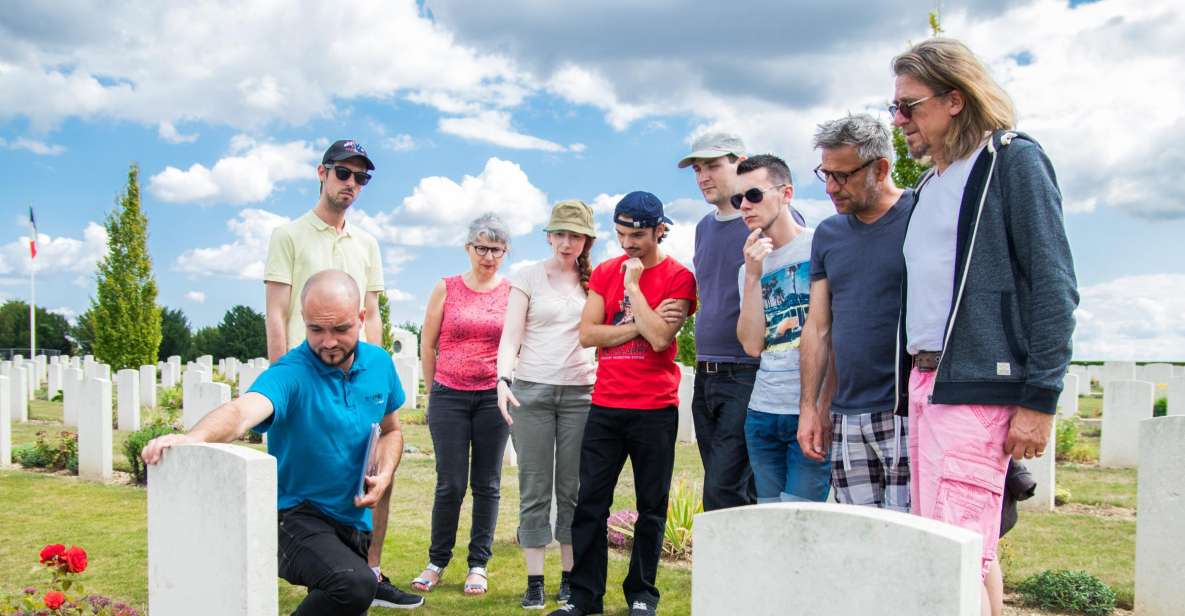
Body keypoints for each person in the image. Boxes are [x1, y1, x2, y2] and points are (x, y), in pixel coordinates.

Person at [890, 38, 1078, 616]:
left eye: (909, 106)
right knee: (959, 549)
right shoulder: (928, 185)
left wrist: (1040, 398)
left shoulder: (1011, 160)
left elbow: (1053, 284)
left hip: (976, 383)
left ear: (954, 99)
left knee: (954, 556)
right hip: (928, 384)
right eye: (893, 108)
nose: (899, 122)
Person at [140, 270, 423, 613]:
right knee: (354, 584)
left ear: (361, 319)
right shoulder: (291, 373)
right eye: (316, 329)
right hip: (294, 517)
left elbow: (391, 430)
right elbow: (242, 411)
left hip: (354, 521)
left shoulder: (379, 362)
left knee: (343, 594)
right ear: (303, 320)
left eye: (340, 329)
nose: (328, 341)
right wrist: (193, 437)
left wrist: (386, 470)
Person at [261, 140, 398, 604]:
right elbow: (278, 313)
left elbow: (372, 313)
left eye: (362, 178)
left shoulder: (367, 243)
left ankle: (370, 571)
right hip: (309, 376)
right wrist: (284, 386)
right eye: (344, 173)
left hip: (357, 381)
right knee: (310, 484)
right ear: (322, 173)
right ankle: (340, 572)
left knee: (374, 475)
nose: (352, 185)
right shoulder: (289, 235)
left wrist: (372, 382)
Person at [550, 192, 696, 616]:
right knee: (591, 503)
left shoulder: (678, 277)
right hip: (607, 405)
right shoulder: (604, 273)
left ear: (659, 231)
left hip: (655, 408)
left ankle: (641, 595)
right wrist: (639, 322)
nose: (628, 244)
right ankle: (583, 598)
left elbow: (662, 339)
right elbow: (588, 334)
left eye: (637, 235)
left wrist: (633, 288)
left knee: (652, 507)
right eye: (620, 234)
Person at [797, 114, 915, 512]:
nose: (831, 187)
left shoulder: (923, 214)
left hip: (909, 410)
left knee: (914, 541)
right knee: (859, 545)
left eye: (842, 176)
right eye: (825, 174)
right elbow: (817, 327)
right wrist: (811, 408)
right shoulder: (828, 235)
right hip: (848, 414)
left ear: (880, 168)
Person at [495, 200, 598, 609]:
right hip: (531, 392)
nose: (567, 242)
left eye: (575, 235)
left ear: (587, 239)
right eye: (560, 234)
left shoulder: (597, 280)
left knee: (572, 490)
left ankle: (570, 579)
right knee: (534, 489)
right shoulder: (528, 277)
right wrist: (503, 379)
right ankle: (534, 580)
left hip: (580, 395)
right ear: (549, 235)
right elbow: (510, 337)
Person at [413, 213, 512, 597]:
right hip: (449, 394)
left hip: (492, 396)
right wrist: (431, 389)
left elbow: (516, 342)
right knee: (450, 483)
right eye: (481, 248)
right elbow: (428, 342)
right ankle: (437, 560)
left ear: (505, 252)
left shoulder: (511, 291)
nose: (488, 256)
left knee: (487, 484)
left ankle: (478, 564)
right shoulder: (447, 287)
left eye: (496, 249)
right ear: (468, 248)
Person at [735, 155, 831, 504]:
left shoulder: (820, 246)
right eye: (738, 199)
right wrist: (753, 275)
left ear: (786, 193)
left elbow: (831, 334)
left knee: (801, 522)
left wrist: (823, 407)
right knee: (769, 524)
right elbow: (751, 345)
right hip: (762, 413)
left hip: (810, 410)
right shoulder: (749, 265)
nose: (744, 206)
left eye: (754, 195)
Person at [676, 132, 760, 511]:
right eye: (697, 169)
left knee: (723, 493)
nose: (703, 176)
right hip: (705, 372)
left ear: (739, 162)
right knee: (727, 487)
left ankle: (722, 571)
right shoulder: (703, 228)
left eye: (712, 165)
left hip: (746, 372)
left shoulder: (764, 218)